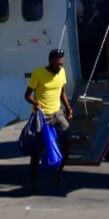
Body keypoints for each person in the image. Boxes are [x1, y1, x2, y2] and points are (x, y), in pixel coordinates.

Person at [23, 48, 74, 192]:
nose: (61, 64)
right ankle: (32, 182)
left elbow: (62, 92)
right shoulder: (38, 73)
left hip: (58, 114)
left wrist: (68, 107)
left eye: (62, 61)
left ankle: (58, 174)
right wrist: (35, 103)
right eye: (58, 62)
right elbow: (27, 95)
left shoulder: (62, 72)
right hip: (41, 116)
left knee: (68, 143)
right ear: (51, 61)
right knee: (36, 150)